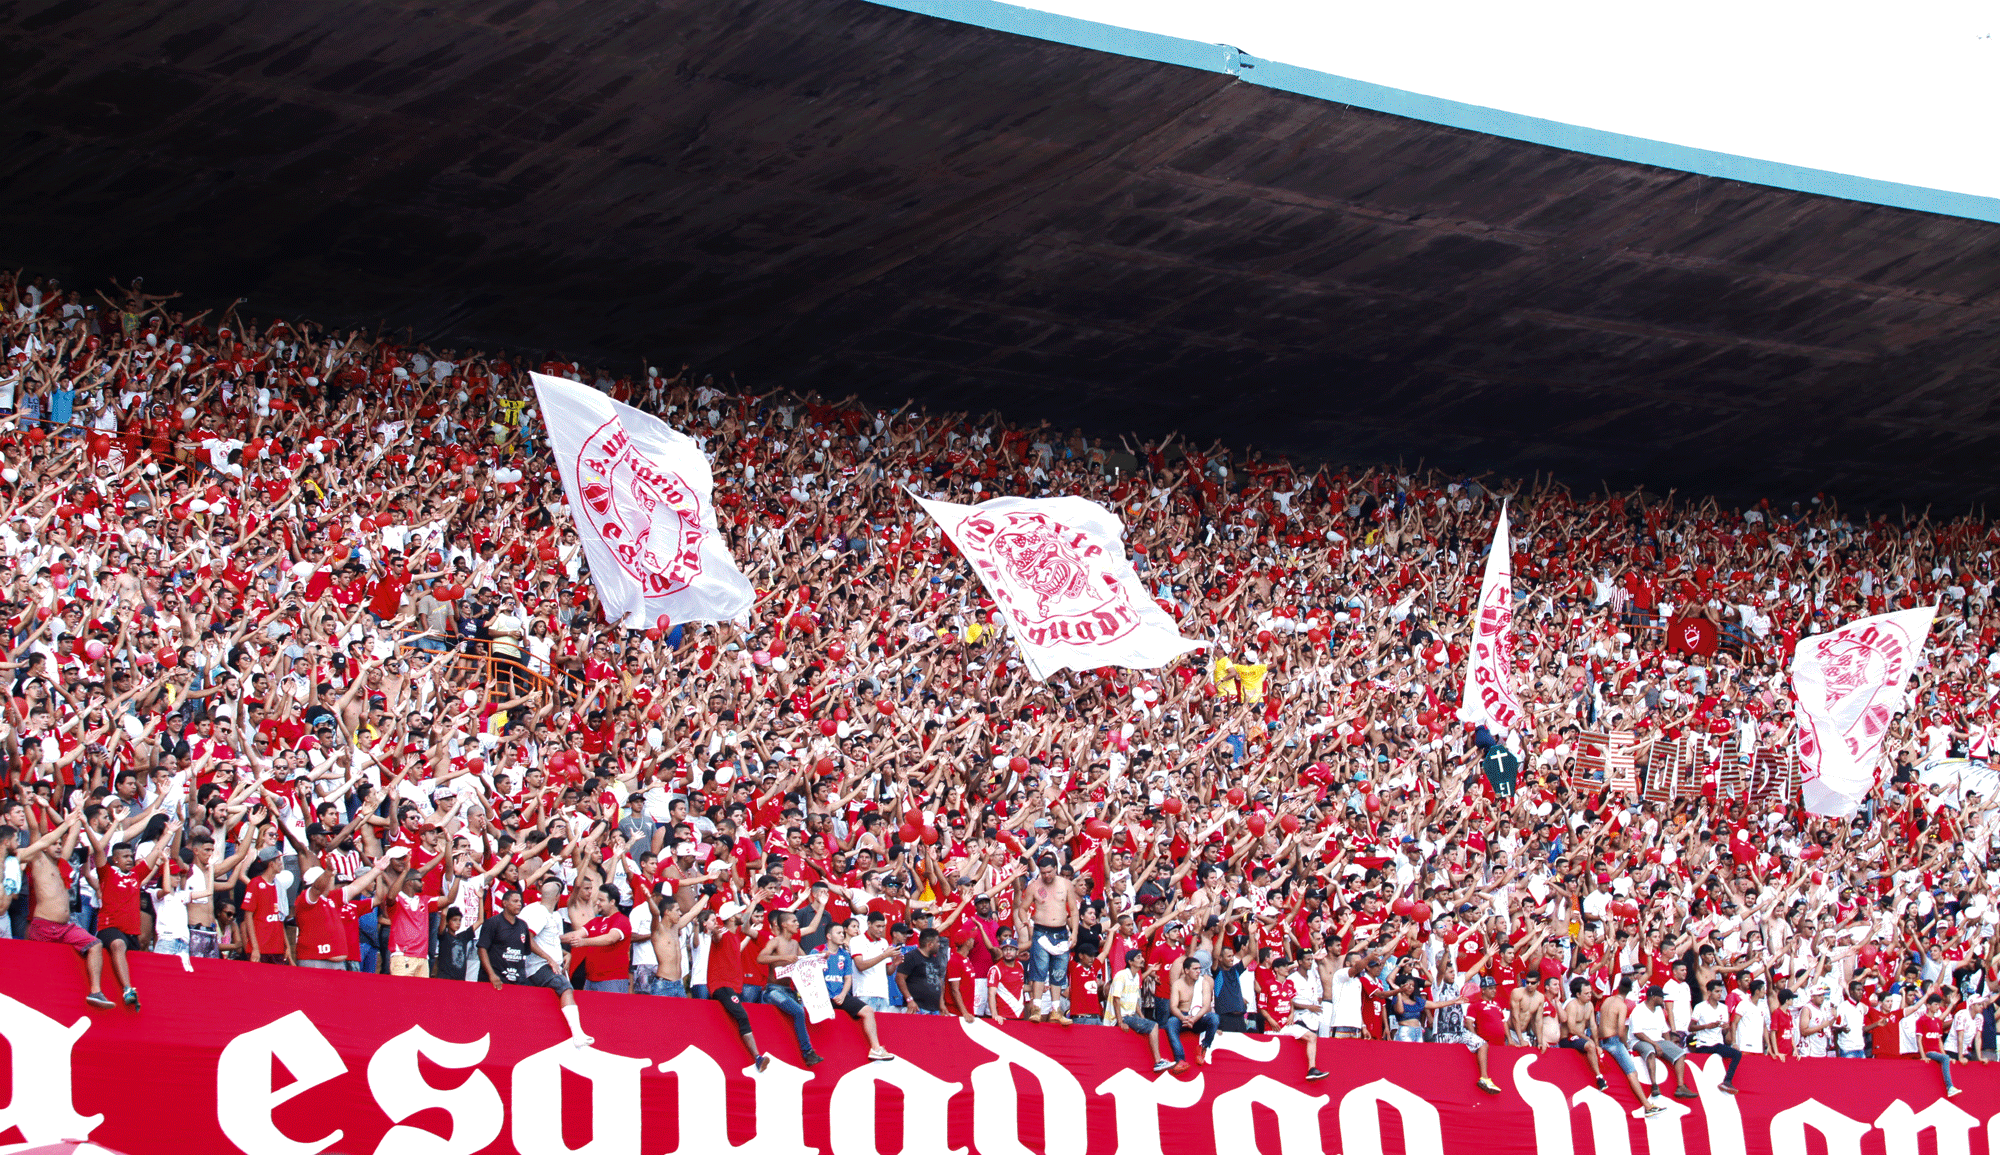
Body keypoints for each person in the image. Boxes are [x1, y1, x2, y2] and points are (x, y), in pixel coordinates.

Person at [21, 810, 117, 1008]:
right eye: (54, 844)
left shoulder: (62, 865)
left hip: (65, 928)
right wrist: (30, 805)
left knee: (95, 944)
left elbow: (71, 840)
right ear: (46, 847)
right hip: (43, 927)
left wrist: (78, 817)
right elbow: (34, 831)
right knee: (37, 969)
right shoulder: (38, 861)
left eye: (59, 844)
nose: (58, 846)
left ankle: (96, 992)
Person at [477, 889, 593, 1048]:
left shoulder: (522, 926)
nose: (519, 904)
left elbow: (527, 947)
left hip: (518, 978)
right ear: (504, 903)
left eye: (520, 902)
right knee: (493, 1020)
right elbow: (482, 948)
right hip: (497, 979)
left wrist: (561, 954)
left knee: (515, 1020)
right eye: (515, 901)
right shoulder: (494, 923)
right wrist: (491, 974)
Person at [822, 922, 897, 1061]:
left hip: (840, 996)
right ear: (828, 936)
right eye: (838, 933)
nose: (842, 935)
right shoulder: (817, 951)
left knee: (868, 1011)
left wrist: (843, 995)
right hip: (822, 996)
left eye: (842, 933)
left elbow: (848, 979)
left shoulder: (845, 955)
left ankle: (876, 1049)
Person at [1023, 856, 1078, 1024]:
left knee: (1058, 972)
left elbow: (1074, 910)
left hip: (1061, 931)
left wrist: (1074, 932)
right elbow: (1022, 908)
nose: (1046, 876)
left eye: (1049, 872)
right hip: (1041, 930)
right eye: (1043, 873)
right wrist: (1026, 921)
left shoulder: (1066, 884)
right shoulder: (1034, 887)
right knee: (1039, 970)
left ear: (1055, 868)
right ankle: (1036, 1008)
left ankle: (1056, 1010)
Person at [1106, 948, 1171, 1073]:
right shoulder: (1121, 975)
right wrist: (1120, 1022)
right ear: (1130, 962)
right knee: (1154, 1025)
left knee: (1150, 1024)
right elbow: (1116, 999)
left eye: (1142, 957)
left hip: (1129, 1016)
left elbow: (1135, 1000)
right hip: (1122, 1017)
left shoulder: (1136, 977)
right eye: (1139, 957)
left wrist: (1142, 1017)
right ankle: (1158, 1061)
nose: (1142, 959)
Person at [1688, 980, 1742, 1095]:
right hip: (1703, 1044)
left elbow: (1724, 1031)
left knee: (1737, 1054)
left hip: (1717, 1043)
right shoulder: (1700, 1007)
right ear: (1709, 993)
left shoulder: (1723, 1008)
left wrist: (1726, 1028)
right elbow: (1691, 1028)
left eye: (1720, 991)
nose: (1719, 994)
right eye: (1717, 991)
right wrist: (1706, 1026)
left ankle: (1727, 1081)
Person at [1918, 992, 1966, 1098]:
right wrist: (1923, 1056)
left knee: (1946, 1057)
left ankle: (1950, 1087)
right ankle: (1949, 1087)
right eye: (1935, 1004)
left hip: (1937, 1052)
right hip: (1929, 1052)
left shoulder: (1937, 1021)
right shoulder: (1922, 1020)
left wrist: (1945, 1055)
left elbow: (1939, 1040)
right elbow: (1919, 1039)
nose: (1937, 1007)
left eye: (1938, 1005)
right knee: (1945, 1057)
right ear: (1928, 1005)